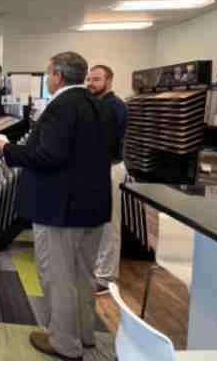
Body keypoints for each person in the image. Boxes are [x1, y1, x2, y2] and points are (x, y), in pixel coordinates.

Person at [0, 52, 117, 361]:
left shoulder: (61, 106)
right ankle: (84, 334)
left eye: (49, 73)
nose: (48, 78)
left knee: (58, 277)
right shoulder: (102, 105)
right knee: (83, 275)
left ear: (58, 76)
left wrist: (8, 149)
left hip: (60, 209)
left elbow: (48, 156)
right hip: (93, 205)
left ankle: (64, 343)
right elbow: (110, 151)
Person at [86, 64, 129, 295]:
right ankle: (96, 269)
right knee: (96, 222)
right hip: (96, 169)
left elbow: (109, 143)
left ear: (109, 81)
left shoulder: (115, 106)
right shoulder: (95, 104)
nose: (91, 83)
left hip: (110, 169)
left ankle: (106, 278)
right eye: (89, 79)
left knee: (109, 225)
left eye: (96, 79)